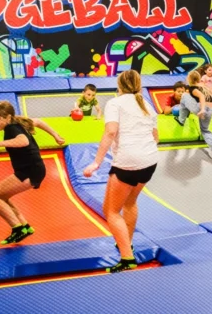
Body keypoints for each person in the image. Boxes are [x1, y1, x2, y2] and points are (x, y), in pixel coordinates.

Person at [82, 71, 159, 274]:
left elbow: (110, 132)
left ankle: (127, 258)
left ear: (120, 85)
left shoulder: (115, 103)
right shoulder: (147, 105)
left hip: (128, 163)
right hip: (150, 160)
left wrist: (96, 163)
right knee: (130, 202)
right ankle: (127, 243)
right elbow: (156, 137)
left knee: (111, 211)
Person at [0, 101, 66, 245]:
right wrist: (55, 135)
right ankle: (25, 226)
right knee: (2, 196)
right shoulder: (18, 122)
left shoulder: (11, 128)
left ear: (7, 118)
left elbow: (23, 141)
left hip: (29, 171)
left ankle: (17, 228)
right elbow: (39, 122)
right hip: (34, 169)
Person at [175, 70, 212, 160]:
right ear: (199, 79)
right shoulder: (203, 86)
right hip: (211, 109)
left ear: (189, 79)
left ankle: (181, 120)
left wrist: (202, 109)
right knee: (205, 130)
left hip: (201, 108)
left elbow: (201, 97)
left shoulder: (193, 88)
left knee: (184, 95)